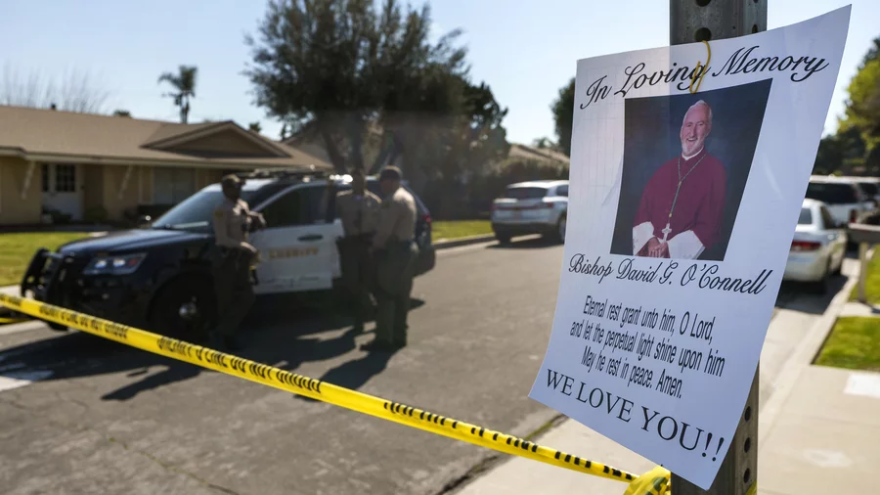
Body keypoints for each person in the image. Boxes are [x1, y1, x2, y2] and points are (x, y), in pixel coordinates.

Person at [632, 100, 727, 259]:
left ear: (708, 129)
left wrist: (669, 247)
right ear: (681, 131)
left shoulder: (716, 171)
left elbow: (710, 227)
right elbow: (642, 213)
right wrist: (650, 240)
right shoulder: (664, 170)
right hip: (649, 257)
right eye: (689, 125)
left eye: (700, 124)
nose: (692, 133)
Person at [361, 166, 418, 351]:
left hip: (394, 251)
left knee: (386, 294)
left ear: (392, 181)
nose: (381, 185)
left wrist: (373, 248)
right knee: (402, 295)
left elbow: (385, 231)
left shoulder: (392, 201)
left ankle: (383, 338)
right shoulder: (407, 197)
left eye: (383, 181)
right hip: (408, 248)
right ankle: (399, 336)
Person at [211, 174, 266, 351]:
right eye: (235, 187)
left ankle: (226, 330)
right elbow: (222, 238)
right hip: (229, 257)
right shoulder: (221, 210)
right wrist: (245, 247)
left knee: (247, 296)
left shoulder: (242, 205)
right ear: (225, 189)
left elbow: (246, 219)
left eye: (240, 186)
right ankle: (225, 335)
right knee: (227, 298)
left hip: (242, 258)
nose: (239, 190)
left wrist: (256, 217)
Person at [335, 168, 381, 332]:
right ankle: (368, 308)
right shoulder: (342, 199)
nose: (358, 184)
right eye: (355, 181)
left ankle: (363, 320)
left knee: (368, 281)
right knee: (352, 282)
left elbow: (380, 224)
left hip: (367, 243)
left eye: (361, 181)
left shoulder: (374, 201)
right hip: (350, 244)